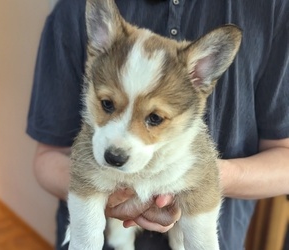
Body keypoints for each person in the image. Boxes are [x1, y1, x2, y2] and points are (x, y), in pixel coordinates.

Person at [27, 0, 289, 249]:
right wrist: (106, 200)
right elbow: (47, 158)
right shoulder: (73, 11)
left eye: (154, 119)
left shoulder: (273, 8)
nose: (119, 143)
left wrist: (196, 181)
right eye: (107, 104)